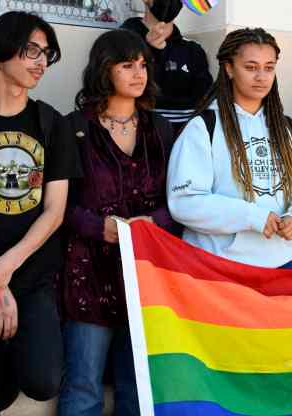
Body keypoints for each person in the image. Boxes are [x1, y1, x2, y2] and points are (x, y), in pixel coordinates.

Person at [0, 11, 80, 415]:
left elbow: (54, 212)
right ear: (1, 53)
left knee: (42, 380)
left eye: (47, 53)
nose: (42, 61)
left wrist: (4, 271)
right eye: (31, 51)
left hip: (31, 275)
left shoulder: (51, 124)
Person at [58, 29, 175, 416]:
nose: (139, 73)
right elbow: (60, 205)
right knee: (83, 387)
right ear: (104, 70)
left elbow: (179, 202)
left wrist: (152, 222)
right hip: (88, 272)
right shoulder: (74, 127)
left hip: (144, 274)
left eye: (143, 64)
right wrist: (100, 226)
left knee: (136, 389)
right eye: (127, 65)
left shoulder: (160, 129)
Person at [167, 27, 292, 269]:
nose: (261, 77)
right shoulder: (204, 128)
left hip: (282, 264)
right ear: (229, 69)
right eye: (250, 67)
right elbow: (185, 202)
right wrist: (253, 217)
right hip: (219, 266)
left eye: (269, 67)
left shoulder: (287, 129)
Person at [121, 0, 213, 134]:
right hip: (138, 141)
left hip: (185, 143)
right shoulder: (119, 43)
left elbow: (205, 102)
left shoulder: (193, 50)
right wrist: (147, 51)